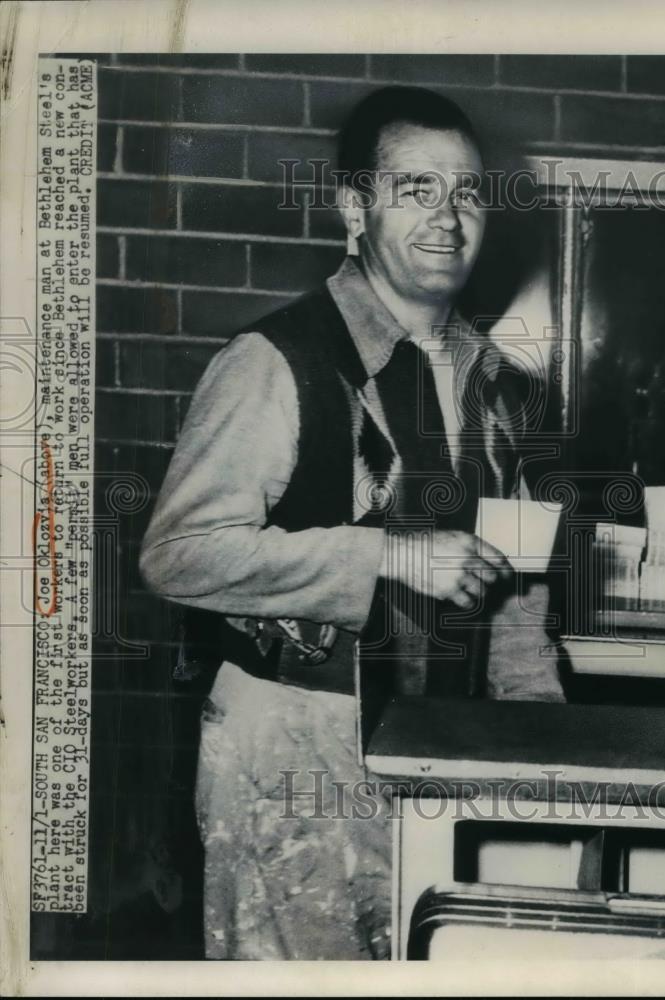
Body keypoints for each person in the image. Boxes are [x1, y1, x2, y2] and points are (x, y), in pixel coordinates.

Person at [139, 85, 565, 962]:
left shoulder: (503, 386)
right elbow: (178, 555)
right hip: (295, 746)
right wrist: (392, 557)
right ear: (352, 207)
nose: (448, 218)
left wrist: (543, 749)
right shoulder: (274, 361)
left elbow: (520, 595)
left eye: (468, 193)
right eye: (415, 189)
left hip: (447, 742)